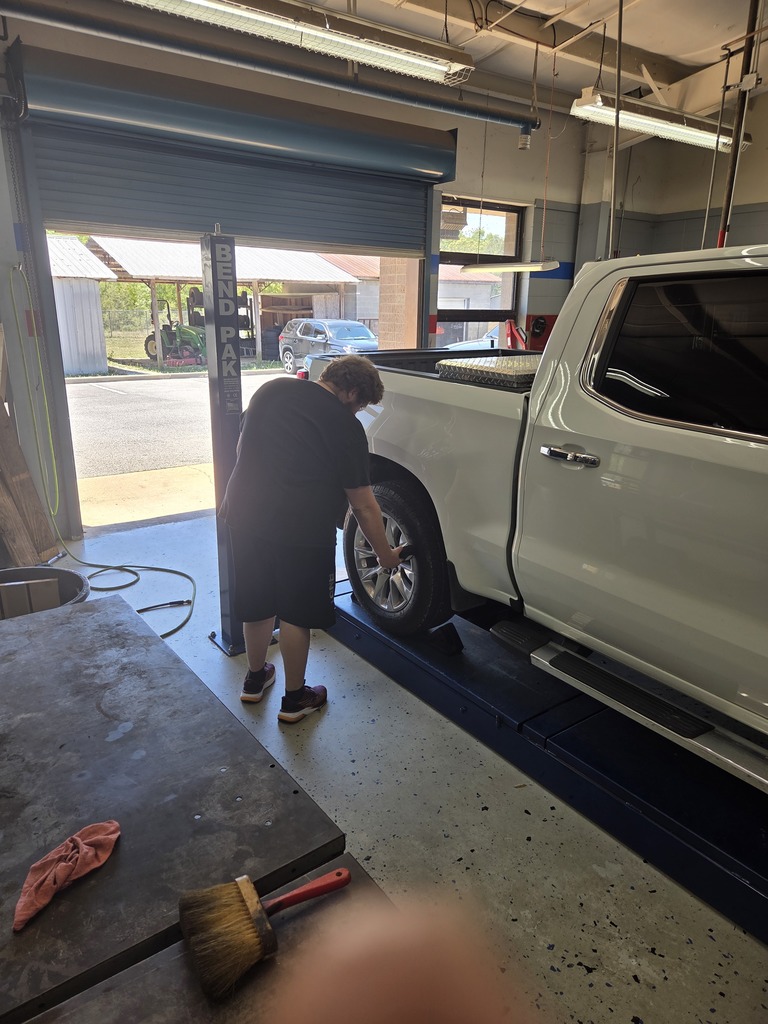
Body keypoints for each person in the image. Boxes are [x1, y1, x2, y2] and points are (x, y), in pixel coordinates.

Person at [218, 355, 404, 723]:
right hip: (301, 528)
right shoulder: (346, 427)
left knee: (257, 601)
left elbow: (242, 450)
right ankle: (294, 699)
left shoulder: (271, 390)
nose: (358, 411)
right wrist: (385, 555)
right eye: (361, 404)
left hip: (244, 511)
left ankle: (254, 681)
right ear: (351, 392)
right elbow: (364, 505)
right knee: (295, 613)